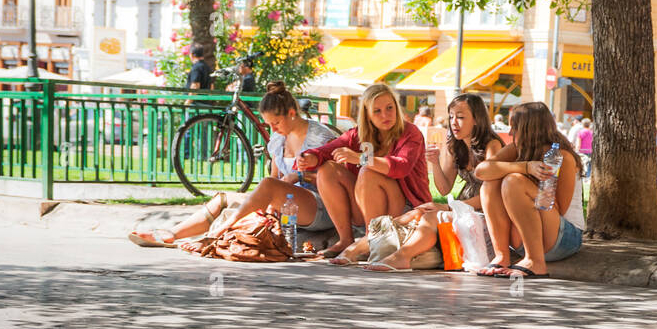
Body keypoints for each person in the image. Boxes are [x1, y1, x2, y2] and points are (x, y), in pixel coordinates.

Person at [129, 82, 337, 248]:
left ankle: (218, 232)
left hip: (319, 206)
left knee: (267, 185)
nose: (273, 129)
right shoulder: (278, 139)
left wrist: (298, 177)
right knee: (223, 198)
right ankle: (171, 234)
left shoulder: (320, 137)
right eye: (269, 124)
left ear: (292, 113)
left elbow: (337, 180)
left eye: (276, 123)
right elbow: (275, 178)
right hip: (286, 203)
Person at [297, 82, 431, 260]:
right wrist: (310, 157)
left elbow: (401, 166)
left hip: (407, 208)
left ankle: (370, 242)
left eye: (390, 107)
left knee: (368, 171)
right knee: (327, 170)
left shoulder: (410, 132)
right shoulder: (357, 134)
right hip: (368, 207)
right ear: (367, 115)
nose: (385, 115)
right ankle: (346, 240)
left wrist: (361, 158)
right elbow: (328, 150)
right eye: (377, 111)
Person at [474, 101, 584, 277]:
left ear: (529, 130)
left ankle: (536, 262)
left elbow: (560, 209)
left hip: (564, 237)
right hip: (528, 236)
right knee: (490, 182)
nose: (510, 133)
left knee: (513, 182)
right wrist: (525, 167)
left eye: (514, 128)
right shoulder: (517, 149)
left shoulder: (562, 156)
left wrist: (529, 187)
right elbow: (481, 171)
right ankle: (502, 256)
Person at [426, 92, 503, 210]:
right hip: (463, 205)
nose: (453, 122)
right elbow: (444, 189)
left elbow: (491, 193)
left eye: (460, 117)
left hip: (487, 209)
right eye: (451, 116)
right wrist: (435, 163)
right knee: (421, 214)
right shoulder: (453, 145)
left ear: (477, 119)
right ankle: (391, 222)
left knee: (428, 217)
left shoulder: (492, 146)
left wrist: (448, 207)